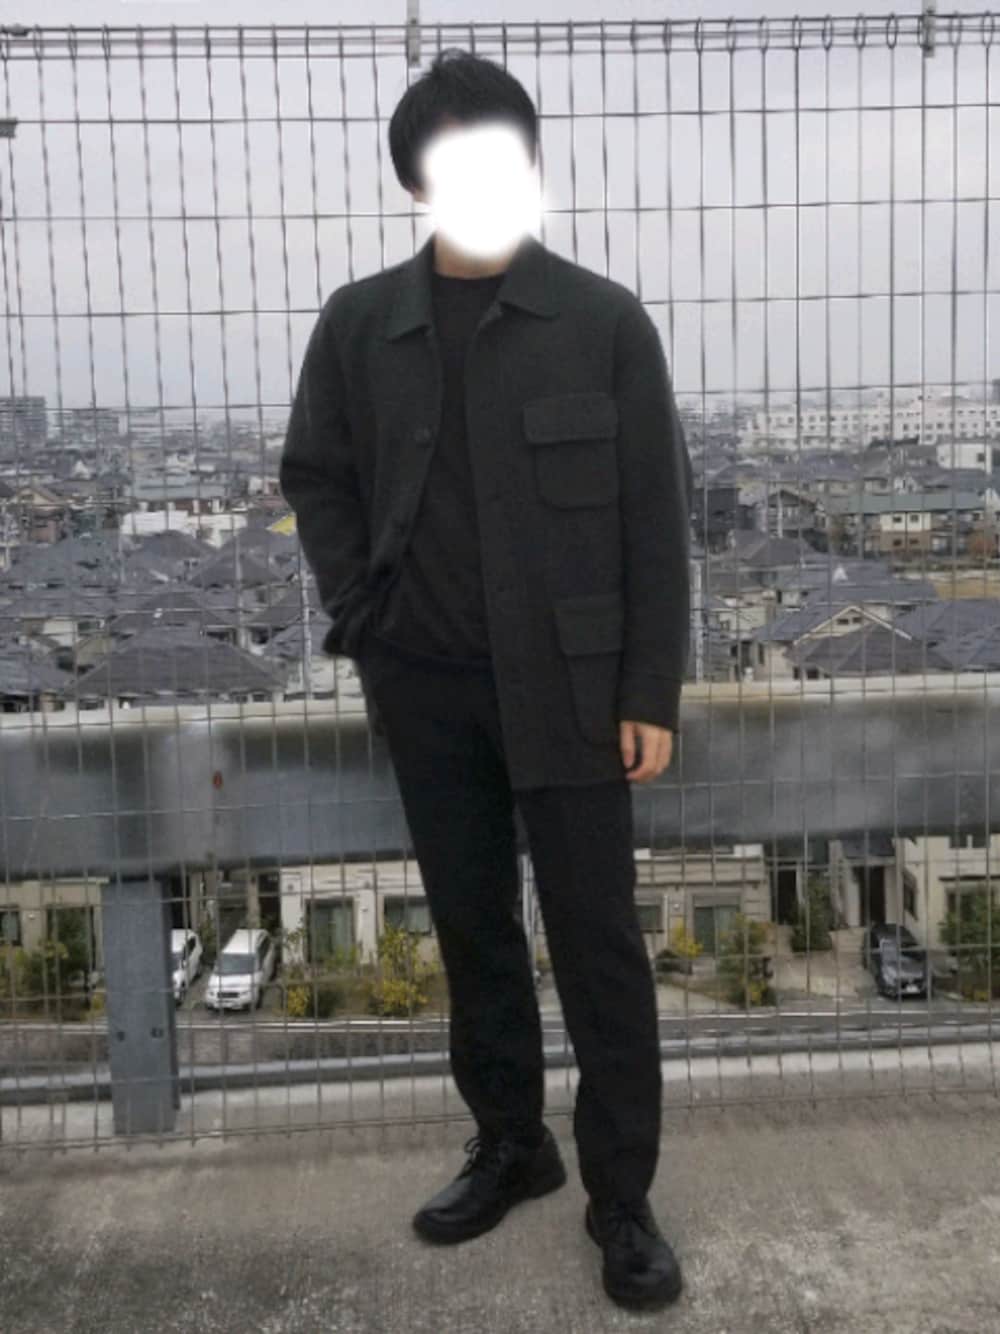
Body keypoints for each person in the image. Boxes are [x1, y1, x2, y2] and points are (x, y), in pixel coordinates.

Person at [279, 47, 692, 1313]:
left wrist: (650, 689)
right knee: (472, 928)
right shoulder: (360, 324)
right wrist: (367, 617)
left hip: (576, 689)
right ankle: (511, 1142)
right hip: (426, 687)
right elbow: (316, 475)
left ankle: (621, 1197)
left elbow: (654, 519)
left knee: (598, 940)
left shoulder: (603, 322)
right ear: (416, 183)